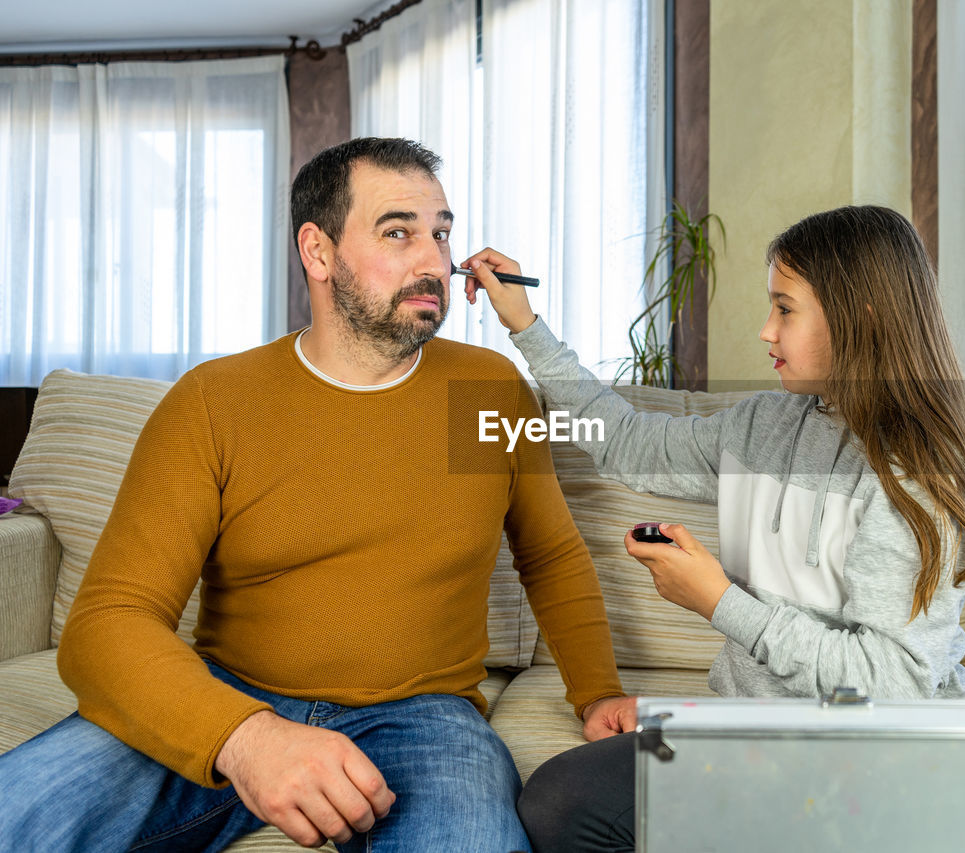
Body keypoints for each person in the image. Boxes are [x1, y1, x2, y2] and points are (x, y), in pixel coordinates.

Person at [0, 137, 636, 853]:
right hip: (226, 693)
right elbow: (107, 623)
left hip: (424, 720)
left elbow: (549, 555)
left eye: (442, 233)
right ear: (319, 250)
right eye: (399, 232)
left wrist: (599, 690)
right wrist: (247, 737)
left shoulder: (481, 392)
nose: (435, 261)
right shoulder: (215, 400)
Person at [461, 204, 965, 852]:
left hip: (874, 752)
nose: (765, 330)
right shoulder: (763, 426)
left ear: (858, 317)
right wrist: (525, 325)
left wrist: (719, 600)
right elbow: (625, 441)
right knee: (559, 802)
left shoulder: (914, 476)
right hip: (760, 733)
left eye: (785, 308)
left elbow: (889, 679)